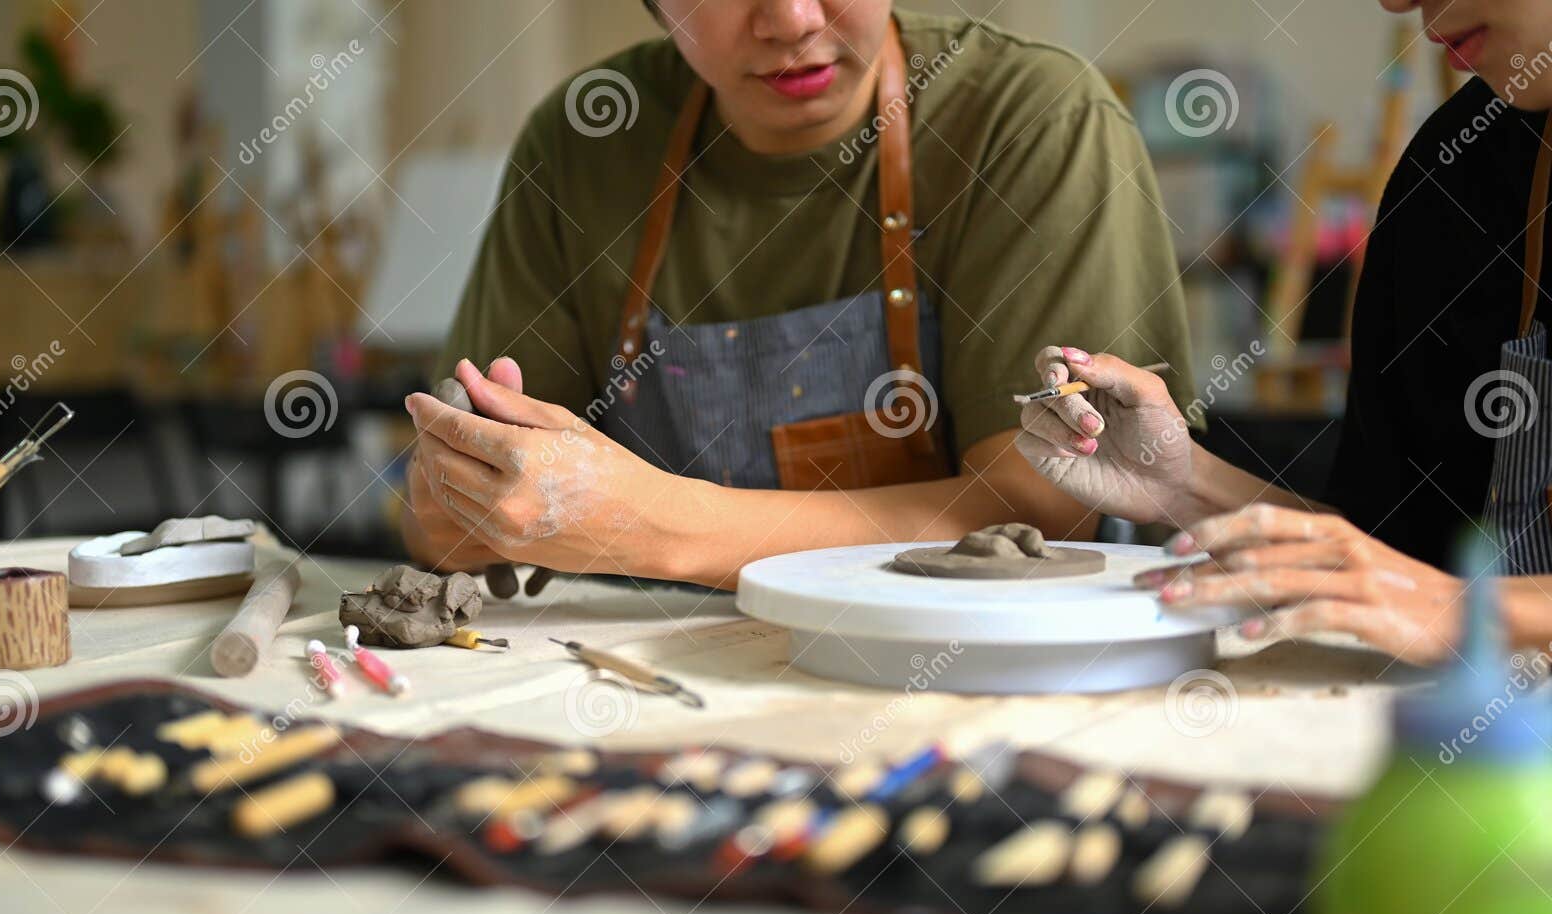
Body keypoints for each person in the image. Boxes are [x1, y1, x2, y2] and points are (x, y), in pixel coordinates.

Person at [402, 1, 1193, 590]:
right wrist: (461, 497)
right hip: (650, 679)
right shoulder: (586, 138)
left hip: (957, 678)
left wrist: (648, 527)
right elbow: (450, 512)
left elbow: (1036, 511)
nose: (790, 19)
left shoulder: (1034, 123)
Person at [1016, 0, 1552, 665]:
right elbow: (1396, 562)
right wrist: (1182, 484)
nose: (1395, 1)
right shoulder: (1459, 172)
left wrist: (1470, 612)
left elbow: (1433, 598)